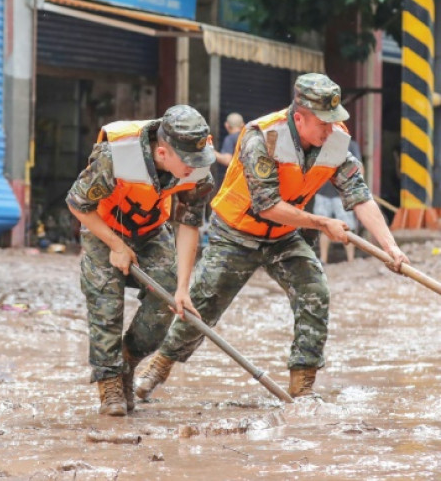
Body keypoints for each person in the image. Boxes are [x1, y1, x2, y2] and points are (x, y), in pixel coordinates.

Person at [135, 73, 409, 401]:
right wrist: (322, 222)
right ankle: (159, 366)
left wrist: (390, 247)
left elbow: (359, 195)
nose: (330, 129)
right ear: (298, 118)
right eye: (323, 122)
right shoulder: (262, 138)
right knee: (203, 303)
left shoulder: (334, 141)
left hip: (283, 235)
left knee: (315, 291)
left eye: (334, 121)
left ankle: (302, 388)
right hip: (236, 233)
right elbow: (267, 206)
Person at [65, 104, 214, 416]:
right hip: (103, 227)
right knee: (106, 301)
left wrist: (183, 288)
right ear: (162, 153)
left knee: (169, 294)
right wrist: (116, 245)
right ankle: (109, 384)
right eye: (186, 162)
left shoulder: (197, 166)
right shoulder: (116, 154)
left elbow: (188, 224)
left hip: (150, 229)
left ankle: (127, 360)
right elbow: (78, 203)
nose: (193, 168)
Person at [313, 138, 362, 263]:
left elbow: (358, 166)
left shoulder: (350, 144)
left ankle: (351, 260)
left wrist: (360, 187)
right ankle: (323, 259)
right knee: (324, 227)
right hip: (323, 192)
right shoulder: (320, 143)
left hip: (342, 193)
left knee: (347, 228)